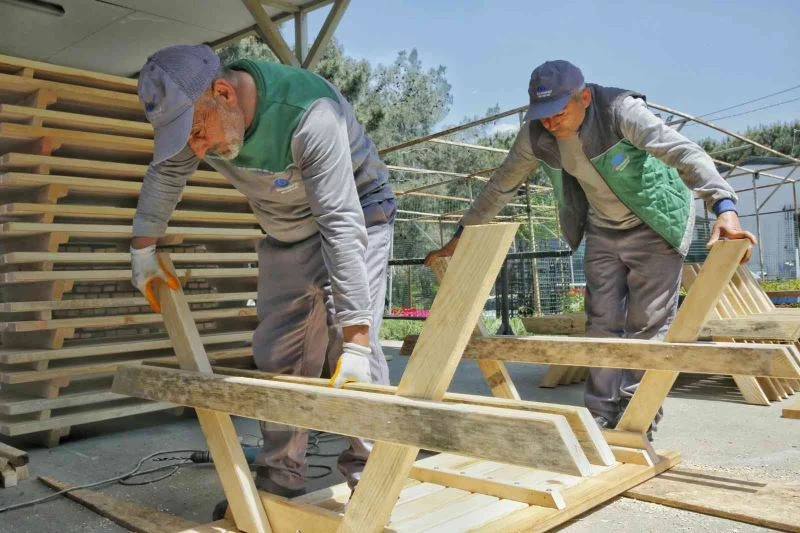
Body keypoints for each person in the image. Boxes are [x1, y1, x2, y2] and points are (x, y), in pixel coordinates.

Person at [424, 60, 756, 436]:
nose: (550, 123)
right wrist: (461, 236)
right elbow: (501, 185)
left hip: (653, 221)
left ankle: (637, 416)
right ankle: (600, 412)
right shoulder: (535, 134)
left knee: (647, 325)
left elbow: (684, 152)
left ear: (584, 96)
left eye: (558, 112)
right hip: (602, 226)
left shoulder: (620, 109)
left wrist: (724, 207)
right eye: (542, 114)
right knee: (601, 321)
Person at [128, 44, 396, 498]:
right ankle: (280, 476)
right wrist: (143, 252)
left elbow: (339, 223)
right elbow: (166, 175)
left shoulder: (310, 114)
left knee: (353, 352)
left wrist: (354, 339)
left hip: (358, 212)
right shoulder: (203, 117)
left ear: (223, 93)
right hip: (287, 230)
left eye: (196, 131)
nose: (196, 148)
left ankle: (372, 479)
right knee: (280, 352)